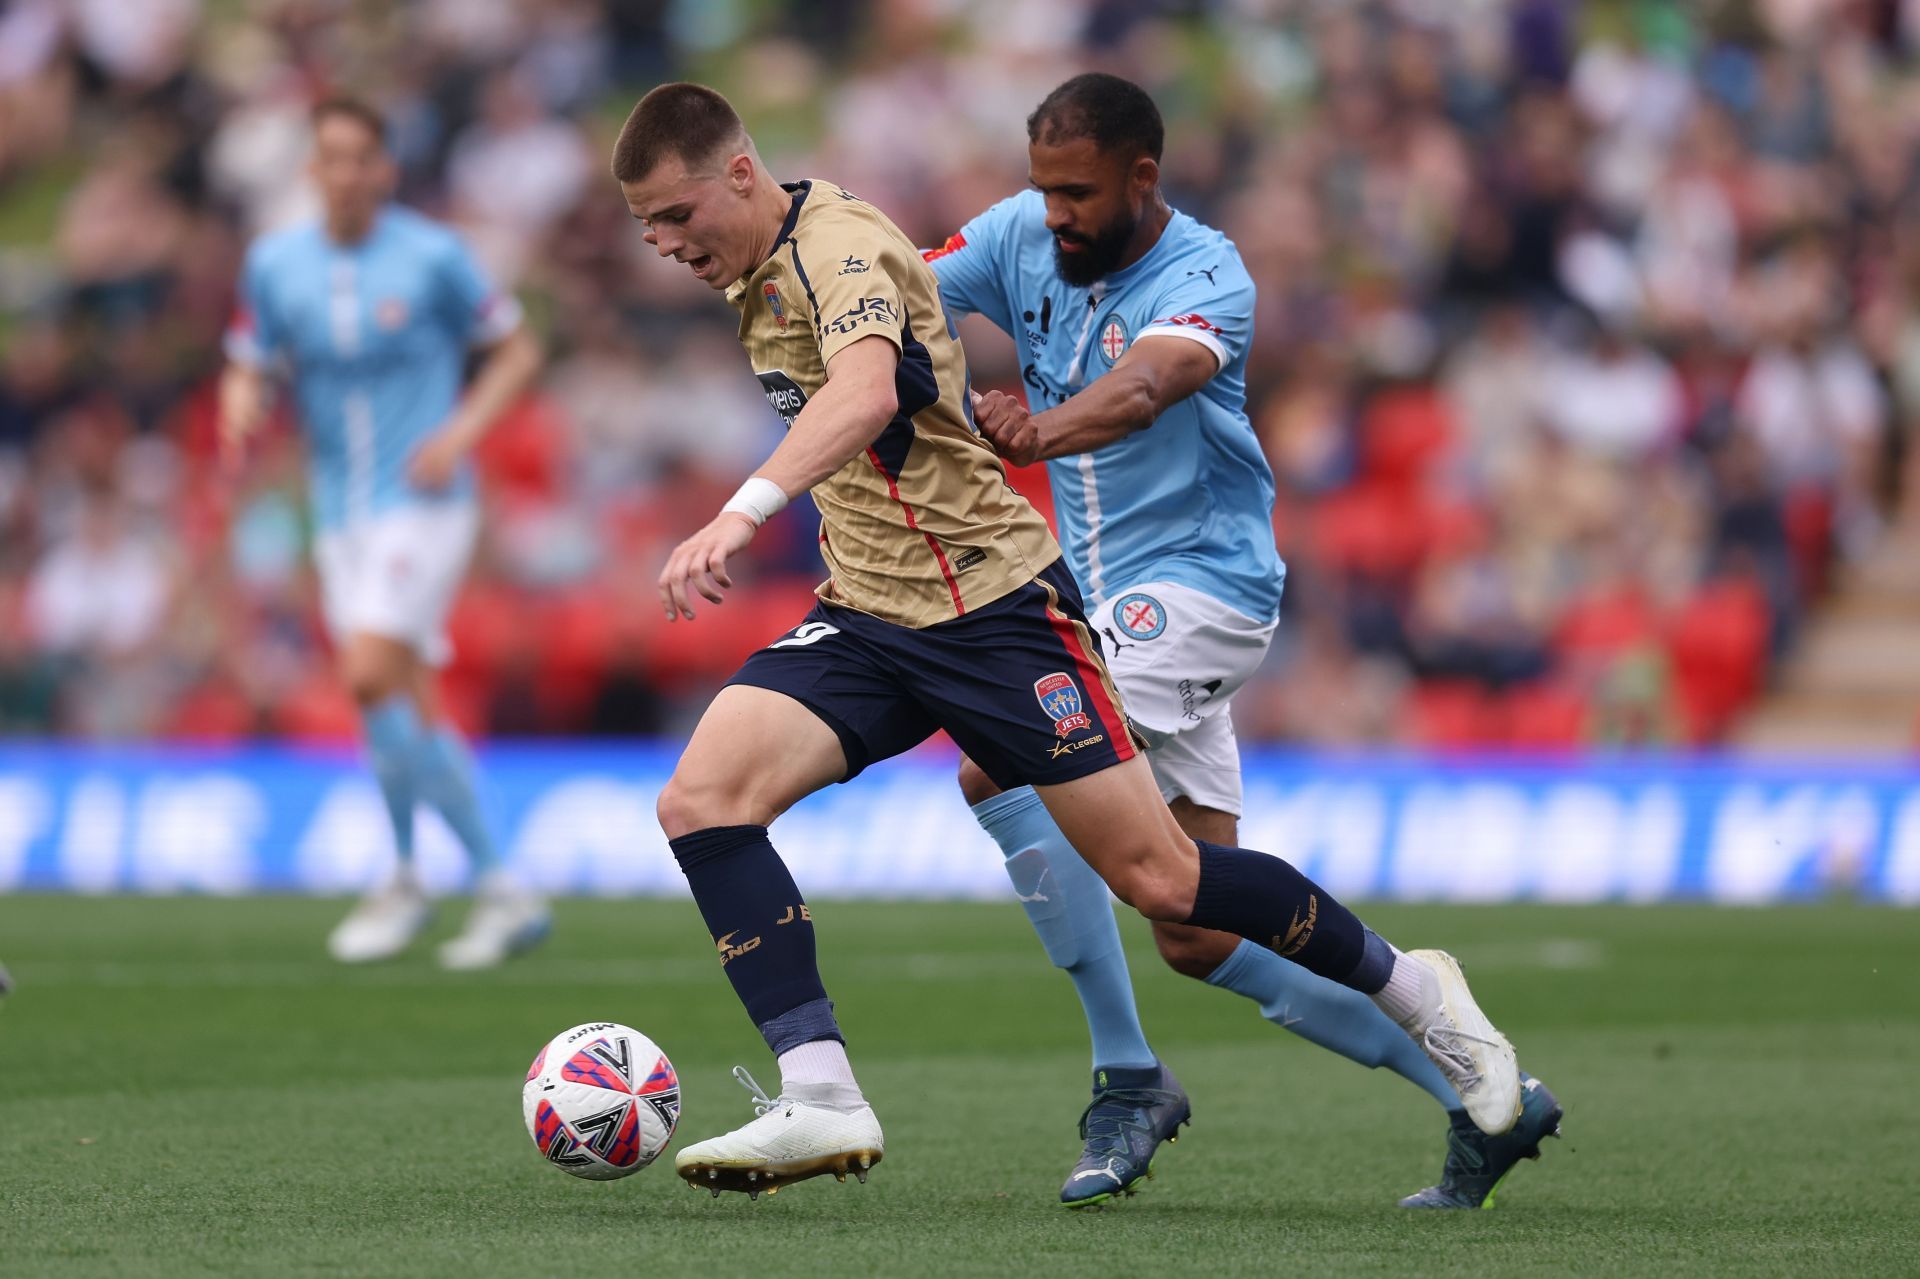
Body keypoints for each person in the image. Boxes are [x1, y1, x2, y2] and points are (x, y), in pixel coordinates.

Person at [614, 81, 1523, 1201]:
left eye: (677, 216)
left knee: (1167, 879)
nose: (662, 245)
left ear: (741, 175)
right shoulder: (786, 262)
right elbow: (911, 309)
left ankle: (1416, 994)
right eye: (646, 226)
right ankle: (822, 1096)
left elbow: (863, 390)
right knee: (702, 800)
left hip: (1024, 608)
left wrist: (741, 511)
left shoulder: (844, 249)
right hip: (874, 610)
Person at [927, 73, 1564, 1209]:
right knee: (1194, 923)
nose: (1054, 215)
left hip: (1206, 593)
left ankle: (1131, 1073)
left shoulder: (1207, 274)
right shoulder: (1022, 234)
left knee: (997, 749)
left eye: (1077, 193)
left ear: (1143, 179)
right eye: (1042, 191)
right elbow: (903, 293)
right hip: (1113, 611)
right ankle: (1481, 1092)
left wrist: (1037, 428)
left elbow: (1143, 389)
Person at [220, 96, 549, 970]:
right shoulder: (276, 265)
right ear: (311, 169)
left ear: (385, 168)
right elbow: (247, 361)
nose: (346, 173)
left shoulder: (433, 256)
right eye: (330, 157)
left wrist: (459, 434)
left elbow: (518, 351)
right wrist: (242, 401)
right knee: (402, 696)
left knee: (370, 672)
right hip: (337, 514)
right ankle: (489, 883)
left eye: (362, 157)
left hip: (427, 501)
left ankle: (414, 877)